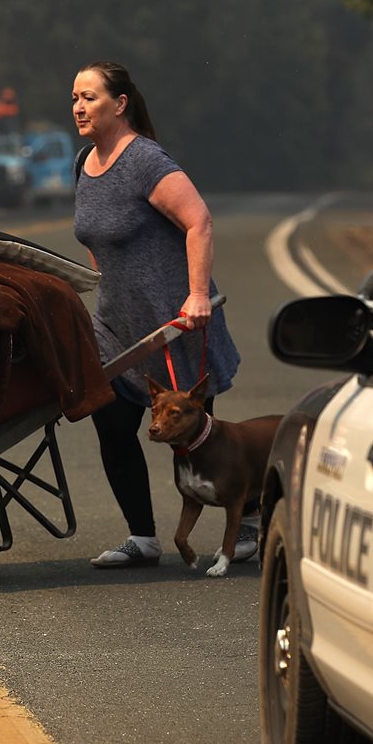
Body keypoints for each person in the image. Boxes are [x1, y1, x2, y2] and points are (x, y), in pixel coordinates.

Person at [71, 60, 250, 569]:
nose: (79, 108)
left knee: (199, 439)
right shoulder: (84, 163)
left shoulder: (145, 161)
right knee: (110, 422)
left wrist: (196, 294)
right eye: (75, 99)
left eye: (90, 98)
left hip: (177, 322)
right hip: (119, 328)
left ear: (120, 103)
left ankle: (250, 519)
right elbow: (98, 241)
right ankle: (143, 538)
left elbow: (199, 222)